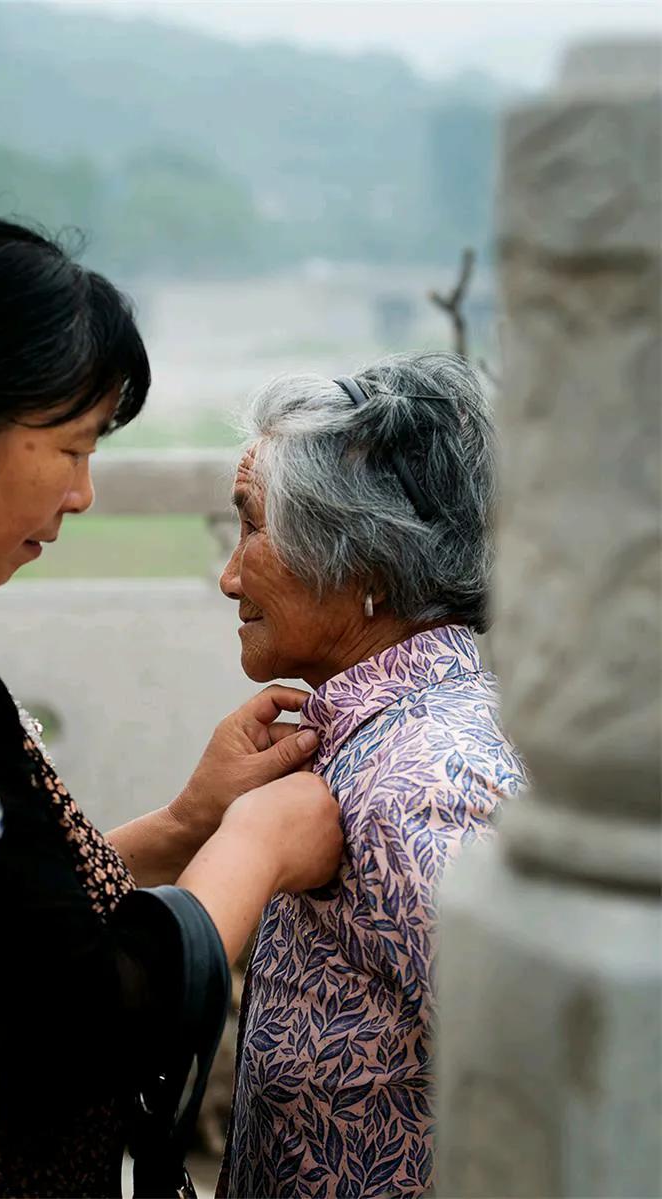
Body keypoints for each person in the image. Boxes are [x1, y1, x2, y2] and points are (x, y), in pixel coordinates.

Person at [0, 213, 343, 1199]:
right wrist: (250, 852)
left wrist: (188, 823)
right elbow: (76, 1017)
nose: (84, 494)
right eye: (70, 445)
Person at [217, 354, 527, 1198]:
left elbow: (536, 1079)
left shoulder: (417, 781)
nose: (229, 575)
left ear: (364, 564)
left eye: (252, 527)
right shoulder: (379, 737)